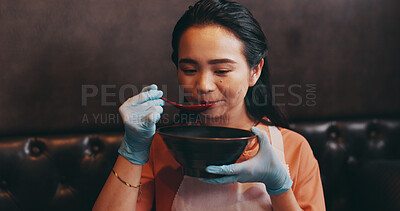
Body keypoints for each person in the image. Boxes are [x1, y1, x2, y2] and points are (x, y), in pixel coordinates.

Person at [93, 0, 325, 210]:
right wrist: (132, 153)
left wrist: (280, 188)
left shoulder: (294, 149)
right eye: (189, 70)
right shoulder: (163, 147)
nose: (203, 86)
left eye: (222, 70)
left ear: (255, 71)